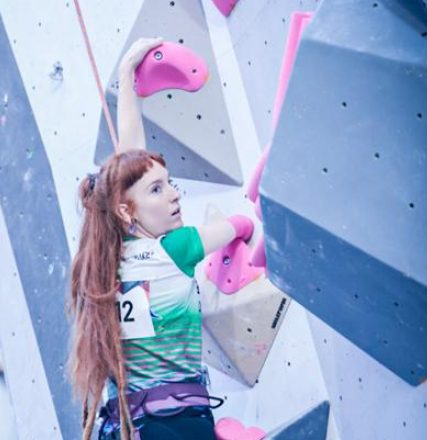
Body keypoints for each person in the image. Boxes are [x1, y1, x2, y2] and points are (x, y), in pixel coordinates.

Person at [67, 38, 254, 440]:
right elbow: (241, 224)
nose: (174, 194)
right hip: (177, 426)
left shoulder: (110, 260)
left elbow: (128, 177)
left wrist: (127, 84)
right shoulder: (177, 248)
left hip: (125, 426)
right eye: (159, 190)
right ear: (127, 211)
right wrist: (243, 232)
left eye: (170, 184)